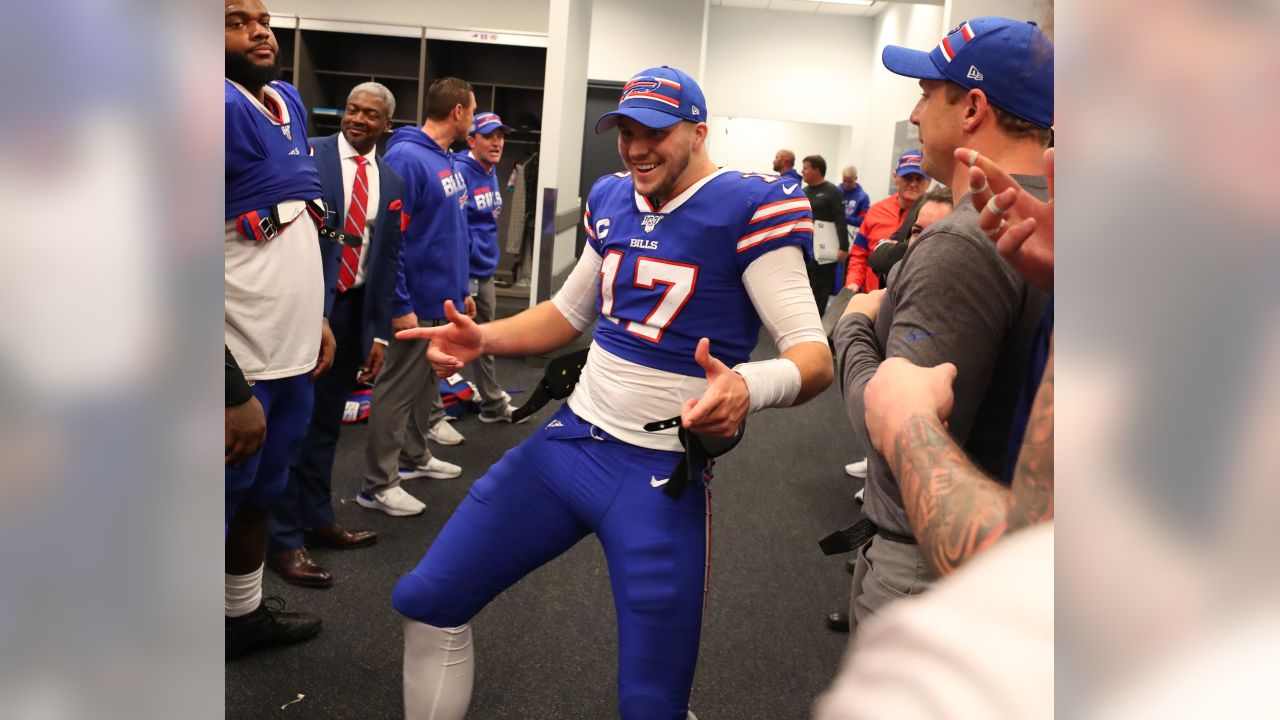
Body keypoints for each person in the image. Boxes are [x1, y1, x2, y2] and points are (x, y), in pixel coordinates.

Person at [390, 65, 833, 720]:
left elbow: (813, 354)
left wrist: (749, 384)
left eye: (653, 131)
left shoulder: (748, 203)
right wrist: (484, 337)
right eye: (625, 131)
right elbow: (567, 316)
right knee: (426, 599)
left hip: (659, 476)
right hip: (569, 446)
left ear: (698, 131)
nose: (634, 148)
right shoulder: (614, 197)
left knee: (651, 706)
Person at [833, 16, 1053, 633]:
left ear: (973, 107)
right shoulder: (1058, 223)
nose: (913, 111)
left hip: (931, 571)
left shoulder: (965, 241)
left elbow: (891, 432)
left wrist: (852, 325)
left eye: (928, 93)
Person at [266, 82, 405, 587]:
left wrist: (380, 334)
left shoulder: (390, 181)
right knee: (292, 426)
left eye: (370, 114)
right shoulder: (310, 156)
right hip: (305, 309)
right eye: (352, 109)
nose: (358, 119)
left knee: (326, 424)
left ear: (386, 124)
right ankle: (281, 538)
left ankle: (317, 517)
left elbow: (387, 261)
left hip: (354, 311)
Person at [223, 0, 329, 659]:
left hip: (290, 357)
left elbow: (296, 216)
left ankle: (241, 616)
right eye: (237, 19)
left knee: (264, 491)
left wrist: (316, 316)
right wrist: (227, 387)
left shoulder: (285, 99)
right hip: (238, 364)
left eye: (263, 17)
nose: (260, 29)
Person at [356, 77, 476, 518]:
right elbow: (394, 241)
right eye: (473, 109)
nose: (474, 117)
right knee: (396, 388)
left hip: (443, 301)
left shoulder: (445, 159)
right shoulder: (408, 157)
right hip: (415, 304)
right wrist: (401, 305)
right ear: (458, 112)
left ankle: (414, 458)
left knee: (427, 384)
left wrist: (462, 293)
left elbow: (451, 233)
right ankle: (378, 484)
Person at [454, 111, 524, 423]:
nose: (497, 142)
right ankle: (432, 416)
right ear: (472, 139)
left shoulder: (491, 170)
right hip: (462, 273)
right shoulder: (459, 170)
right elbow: (455, 228)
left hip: (485, 271)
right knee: (449, 342)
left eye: (500, 136)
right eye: (489, 136)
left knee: (485, 340)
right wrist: (461, 276)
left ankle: (492, 405)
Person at [843, 150, 928, 294]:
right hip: (871, 297)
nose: (913, 184)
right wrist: (853, 282)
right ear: (895, 177)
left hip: (910, 298)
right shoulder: (876, 210)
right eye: (907, 177)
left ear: (929, 181)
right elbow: (859, 253)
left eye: (919, 178)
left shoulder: (934, 215)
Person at [866, 185, 954, 288]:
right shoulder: (878, 209)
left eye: (934, 234)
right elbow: (877, 254)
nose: (912, 184)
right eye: (917, 231)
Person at [801, 154, 848, 314]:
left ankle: (817, 322)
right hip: (806, 249)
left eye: (806, 168)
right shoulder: (803, 192)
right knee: (806, 286)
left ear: (817, 170)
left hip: (826, 249)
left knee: (821, 288)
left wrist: (843, 247)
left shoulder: (833, 192)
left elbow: (841, 220)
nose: (802, 171)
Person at [840, 165, 871, 231]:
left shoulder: (863, 197)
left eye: (850, 181)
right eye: (844, 180)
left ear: (856, 178)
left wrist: (845, 218)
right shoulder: (836, 191)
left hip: (852, 232)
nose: (847, 184)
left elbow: (863, 221)